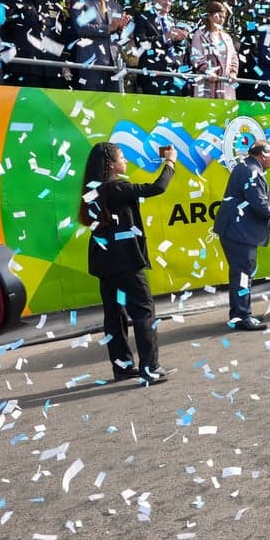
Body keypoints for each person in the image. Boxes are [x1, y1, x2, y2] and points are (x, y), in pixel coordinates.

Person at [78, 142, 177, 384]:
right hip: (125, 263)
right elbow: (157, 187)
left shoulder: (95, 189)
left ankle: (122, 366)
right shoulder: (117, 187)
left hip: (105, 262)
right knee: (144, 311)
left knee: (115, 315)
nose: (126, 162)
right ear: (111, 164)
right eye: (122, 157)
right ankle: (150, 368)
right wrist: (170, 162)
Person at [213, 140, 270, 331]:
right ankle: (243, 316)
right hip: (239, 234)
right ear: (263, 155)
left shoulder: (245, 167)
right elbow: (260, 205)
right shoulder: (251, 170)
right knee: (243, 274)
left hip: (236, 232)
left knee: (240, 274)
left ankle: (238, 315)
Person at [0, 0, 62, 89]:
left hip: (51, 67)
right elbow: (2, 15)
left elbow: (58, 34)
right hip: (24, 66)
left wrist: (63, 62)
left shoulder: (53, 0)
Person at [73, 0, 129, 93]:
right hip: (92, 61)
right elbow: (81, 28)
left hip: (114, 63)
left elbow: (118, 34)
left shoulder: (115, 5)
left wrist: (121, 28)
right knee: (91, 107)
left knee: (114, 105)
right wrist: (108, 28)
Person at [133, 0, 190, 96]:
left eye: (169, 0)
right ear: (154, 0)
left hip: (174, 75)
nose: (167, 3)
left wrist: (181, 40)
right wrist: (165, 37)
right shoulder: (143, 18)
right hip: (152, 74)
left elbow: (183, 49)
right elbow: (141, 43)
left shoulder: (174, 22)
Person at [190, 1, 238, 99]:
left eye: (223, 17)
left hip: (225, 86)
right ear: (210, 16)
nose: (221, 20)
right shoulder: (200, 34)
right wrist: (207, 71)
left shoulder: (227, 37)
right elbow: (196, 57)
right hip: (206, 84)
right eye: (218, 16)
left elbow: (234, 58)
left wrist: (233, 72)